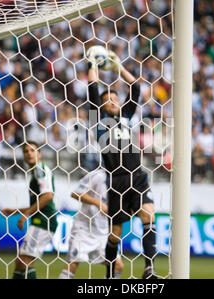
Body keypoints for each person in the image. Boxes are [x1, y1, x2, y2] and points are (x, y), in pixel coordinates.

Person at [86, 49, 157, 279]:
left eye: (115, 98)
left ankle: (149, 269)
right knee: (115, 233)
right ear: (102, 106)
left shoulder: (126, 117)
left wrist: (118, 68)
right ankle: (109, 274)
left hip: (137, 175)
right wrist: (93, 64)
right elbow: (92, 90)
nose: (113, 101)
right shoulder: (98, 121)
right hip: (116, 180)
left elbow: (136, 88)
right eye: (108, 100)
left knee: (148, 214)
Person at [1, 141, 58, 279]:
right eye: (26, 151)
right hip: (41, 220)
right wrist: (15, 211)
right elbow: (40, 202)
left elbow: (48, 196)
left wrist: (26, 214)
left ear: (39, 154)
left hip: (44, 221)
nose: (29, 154)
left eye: (32, 150)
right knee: (21, 262)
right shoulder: (36, 172)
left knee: (24, 261)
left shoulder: (40, 169)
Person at [58, 168, 124, 279]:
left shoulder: (123, 179)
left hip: (104, 231)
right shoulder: (97, 175)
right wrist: (98, 203)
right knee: (73, 264)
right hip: (84, 228)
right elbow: (76, 193)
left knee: (117, 266)